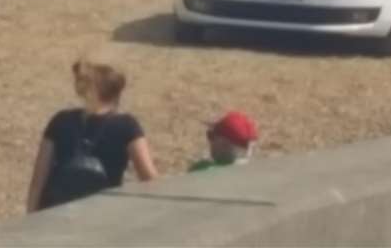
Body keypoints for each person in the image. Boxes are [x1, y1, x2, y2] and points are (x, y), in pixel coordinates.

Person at [26, 60, 158, 212]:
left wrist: (30, 217)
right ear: (117, 94)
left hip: (57, 212)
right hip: (101, 215)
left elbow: (38, 180)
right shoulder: (127, 126)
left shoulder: (60, 120)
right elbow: (149, 179)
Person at [188, 110, 259, 172]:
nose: (210, 142)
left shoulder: (202, 170)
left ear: (224, 144)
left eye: (211, 135)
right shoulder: (257, 171)